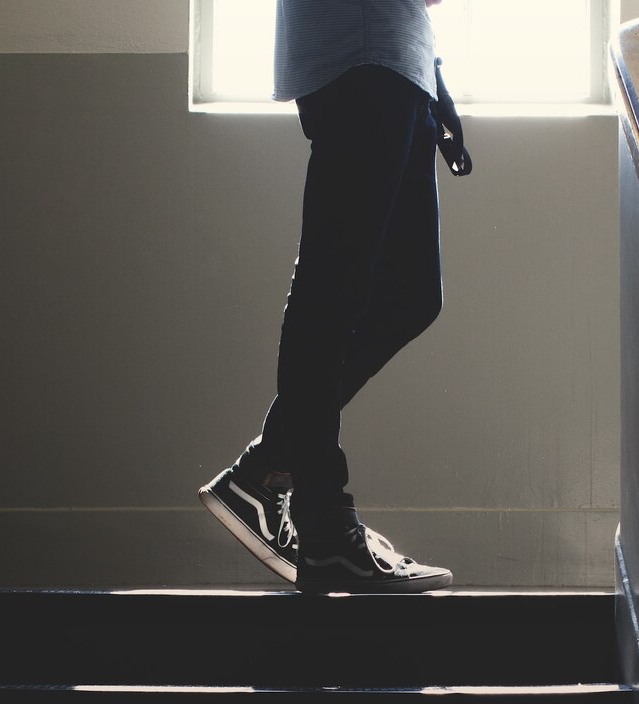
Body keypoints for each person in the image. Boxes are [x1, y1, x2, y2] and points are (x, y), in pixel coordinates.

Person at [199, 0, 470, 594]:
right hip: (363, 54)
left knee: (410, 294)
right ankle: (323, 524)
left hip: (395, 57)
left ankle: (268, 468)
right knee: (333, 285)